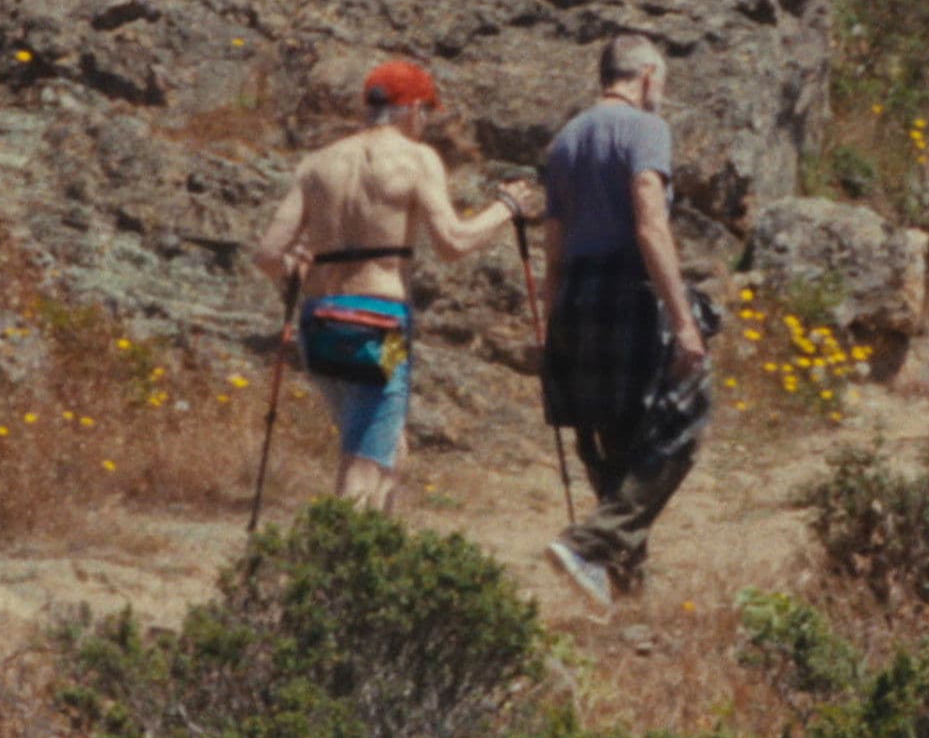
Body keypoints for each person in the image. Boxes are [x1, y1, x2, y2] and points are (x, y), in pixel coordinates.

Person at [255, 58, 536, 513]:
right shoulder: (417, 159)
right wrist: (506, 207)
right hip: (378, 326)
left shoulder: (317, 164)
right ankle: (341, 552)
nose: (426, 125)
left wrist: (296, 265)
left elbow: (268, 254)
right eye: (427, 114)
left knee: (388, 446)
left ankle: (379, 540)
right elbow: (452, 242)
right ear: (414, 109)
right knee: (363, 462)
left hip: (320, 324)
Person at [541, 33, 715, 611]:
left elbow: (553, 249)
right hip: (627, 290)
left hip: (577, 294)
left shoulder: (565, 141)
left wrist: (552, 328)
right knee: (687, 412)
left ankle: (625, 597)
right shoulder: (645, 129)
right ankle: (587, 544)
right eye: (661, 79)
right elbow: (649, 224)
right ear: (645, 76)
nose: (661, 89)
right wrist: (683, 321)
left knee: (617, 441)